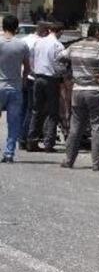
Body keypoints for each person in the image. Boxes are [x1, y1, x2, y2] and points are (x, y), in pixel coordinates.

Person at [56, 23, 99, 171]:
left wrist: (68, 76)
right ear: (97, 33)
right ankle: (97, 162)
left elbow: (58, 59)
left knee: (76, 127)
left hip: (77, 91)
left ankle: (68, 160)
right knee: (97, 127)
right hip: (96, 91)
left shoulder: (74, 46)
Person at [26, 22, 65, 152]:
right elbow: (59, 65)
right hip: (51, 80)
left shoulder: (39, 42)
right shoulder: (57, 45)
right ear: (60, 32)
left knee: (36, 110)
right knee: (52, 112)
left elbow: (31, 59)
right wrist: (64, 74)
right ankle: (49, 143)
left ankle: (31, 141)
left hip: (37, 78)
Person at [0, 16, 31, 163]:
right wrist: (23, 81)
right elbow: (27, 68)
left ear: (3, 26)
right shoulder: (22, 45)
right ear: (16, 28)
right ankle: (9, 153)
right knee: (13, 122)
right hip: (15, 87)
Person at [17, 22, 48, 150]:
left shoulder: (24, 40)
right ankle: (24, 138)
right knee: (32, 109)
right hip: (32, 77)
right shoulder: (40, 42)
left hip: (21, 76)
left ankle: (20, 136)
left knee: (23, 109)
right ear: (44, 32)